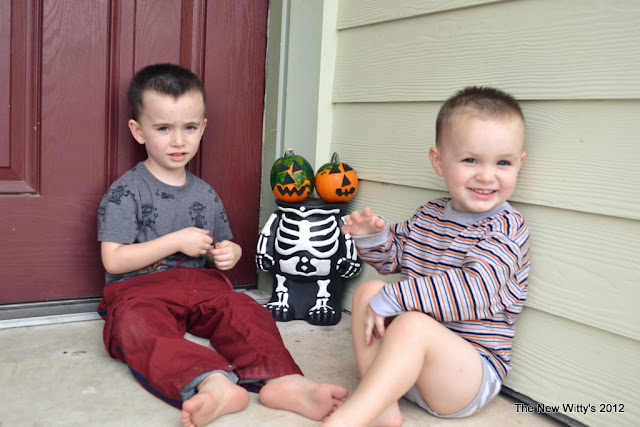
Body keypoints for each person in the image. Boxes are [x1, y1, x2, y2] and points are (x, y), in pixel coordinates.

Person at [97, 63, 348, 427]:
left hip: (201, 287)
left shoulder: (205, 194)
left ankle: (283, 380)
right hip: (140, 290)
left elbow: (221, 246)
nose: (179, 141)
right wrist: (175, 241)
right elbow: (114, 260)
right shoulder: (126, 191)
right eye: (164, 128)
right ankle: (211, 383)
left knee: (245, 310)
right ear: (138, 131)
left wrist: (231, 253)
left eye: (189, 127)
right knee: (137, 327)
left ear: (203, 128)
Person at [323, 86, 530, 426]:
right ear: (438, 161)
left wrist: (396, 298)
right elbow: (393, 259)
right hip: (409, 367)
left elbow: (473, 291)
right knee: (368, 292)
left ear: (519, 164)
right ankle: (382, 407)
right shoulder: (430, 215)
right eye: (470, 160)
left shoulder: (506, 228)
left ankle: (350, 417)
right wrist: (373, 236)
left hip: (467, 376)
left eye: (503, 163)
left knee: (410, 321)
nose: (486, 175)